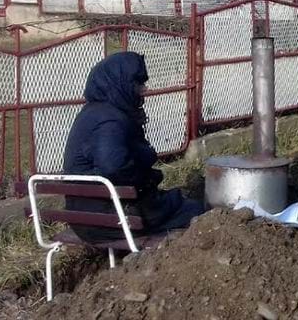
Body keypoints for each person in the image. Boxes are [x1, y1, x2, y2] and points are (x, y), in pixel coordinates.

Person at [63, 52, 204, 243]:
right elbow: (114, 167)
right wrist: (147, 179)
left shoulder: (93, 113)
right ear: (120, 83)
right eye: (137, 83)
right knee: (197, 210)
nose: (144, 89)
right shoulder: (110, 121)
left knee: (178, 201)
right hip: (115, 218)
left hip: (89, 216)